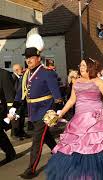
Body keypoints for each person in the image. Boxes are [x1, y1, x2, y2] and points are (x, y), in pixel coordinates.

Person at [8, 33, 63, 179]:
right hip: (32, 112)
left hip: (45, 112)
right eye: (26, 58)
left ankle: (31, 169)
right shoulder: (26, 74)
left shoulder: (47, 73)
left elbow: (57, 96)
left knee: (37, 141)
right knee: (46, 138)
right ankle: (61, 153)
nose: (28, 60)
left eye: (31, 58)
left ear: (38, 58)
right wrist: (14, 107)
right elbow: (20, 94)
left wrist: (57, 113)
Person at [0, 68, 16, 165]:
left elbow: (10, 95)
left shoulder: (3, 74)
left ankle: (10, 153)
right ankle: (10, 152)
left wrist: (11, 112)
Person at [11, 64, 31, 140]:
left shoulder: (20, 77)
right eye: (21, 69)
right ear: (16, 70)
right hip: (16, 102)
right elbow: (13, 90)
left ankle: (21, 132)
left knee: (21, 118)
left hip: (21, 101)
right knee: (16, 118)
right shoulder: (13, 78)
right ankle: (15, 134)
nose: (22, 70)